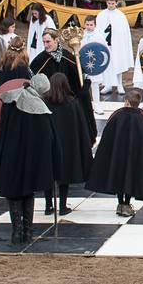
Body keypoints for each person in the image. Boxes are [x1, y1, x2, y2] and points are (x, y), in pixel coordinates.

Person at [0, 73, 62, 245]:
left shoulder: (10, 101)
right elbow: (49, 138)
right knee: (27, 192)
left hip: (11, 154)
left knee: (14, 192)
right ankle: (27, 232)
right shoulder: (40, 110)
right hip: (31, 158)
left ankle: (17, 232)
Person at [87, 88, 143, 217]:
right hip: (134, 156)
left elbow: (108, 137)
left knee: (119, 177)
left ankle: (120, 204)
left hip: (117, 156)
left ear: (126, 102)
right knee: (130, 177)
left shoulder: (118, 117)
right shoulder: (141, 119)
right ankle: (127, 204)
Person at [41, 72, 96, 216]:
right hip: (66, 146)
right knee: (64, 176)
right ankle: (62, 206)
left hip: (48, 144)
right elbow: (80, 126)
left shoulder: (44, 102)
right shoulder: (72, 103)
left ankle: (48, 206)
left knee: (49, 174)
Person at [95, 0, 134, 96]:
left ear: (116, 3)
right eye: (109, 3)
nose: (111, 5)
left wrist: (120, 41)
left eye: (112, 3)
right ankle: (107, 84)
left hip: (117, 45)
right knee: (106, 63)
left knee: (118, 63)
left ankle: (119, 84)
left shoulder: (120, 16)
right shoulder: (101, 15)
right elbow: (98, 30)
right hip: (106, 44)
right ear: (106, 3)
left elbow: (123, 32)